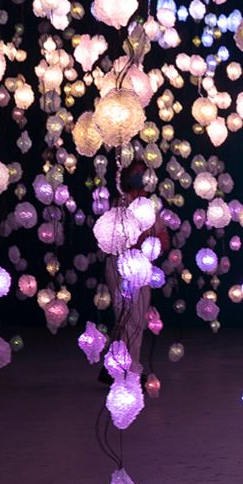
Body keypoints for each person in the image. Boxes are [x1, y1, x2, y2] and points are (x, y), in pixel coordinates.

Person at [101, 159, 168, 385]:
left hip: (142, 266)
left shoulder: (151, 207)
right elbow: (119, 237)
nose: (139, 177)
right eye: (135, 173)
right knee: (127, 317)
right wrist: (143, 239)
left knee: (136, 319)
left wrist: (149, 242)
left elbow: (164, 239)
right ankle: (129, 371)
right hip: (121, 265)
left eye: (142, 173)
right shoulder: (119, 204)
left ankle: (116, 366)